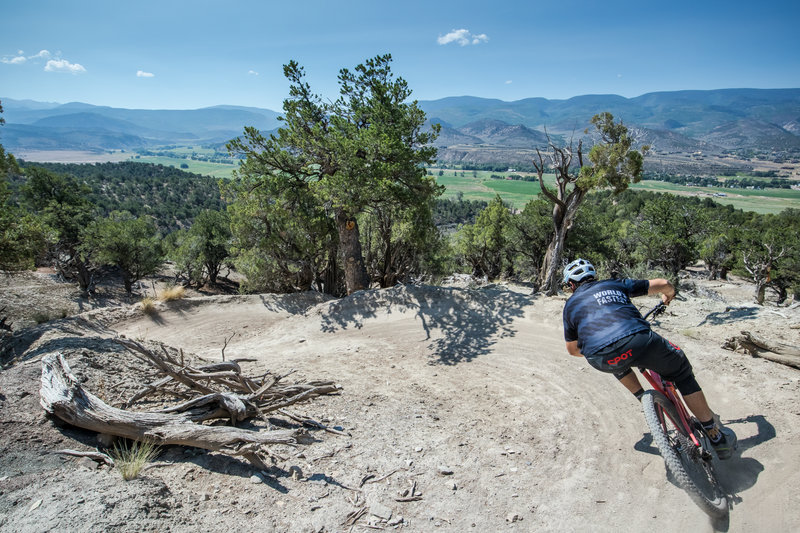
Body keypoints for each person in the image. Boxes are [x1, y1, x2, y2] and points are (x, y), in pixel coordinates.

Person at [561, 258, 736, 459]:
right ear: (594, 277)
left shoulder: (570, 306)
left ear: (571, 285)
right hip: (638, 340)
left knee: (619, 364)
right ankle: (715, 436)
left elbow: (573, 350)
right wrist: (668, 296)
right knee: (682, 373)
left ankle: (644, 399)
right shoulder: (612, 284)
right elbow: (663, 284)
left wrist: (603, 347)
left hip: (600, 356)